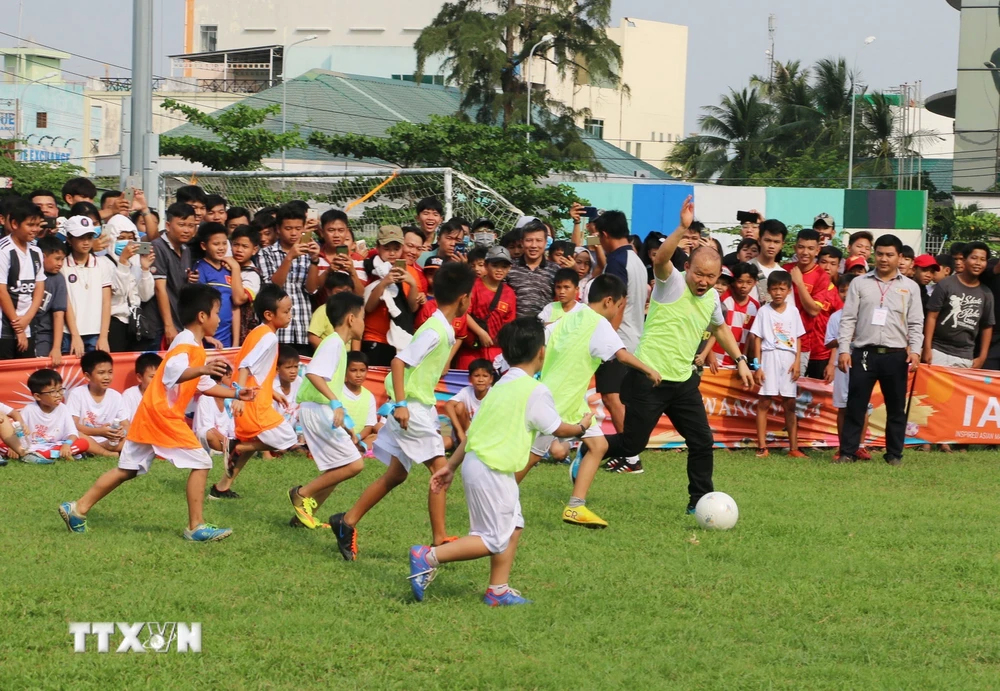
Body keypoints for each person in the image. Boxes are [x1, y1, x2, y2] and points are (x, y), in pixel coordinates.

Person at [407, 317, 597, 605]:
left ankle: (498, 590)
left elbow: (473, 434)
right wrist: (582, 427)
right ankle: (429, 556)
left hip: (483, 465)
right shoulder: (535, 390)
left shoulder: (501, 386)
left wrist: (450, 466)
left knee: (514, 525)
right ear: (542, 352)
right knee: (493, 539)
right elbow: (558, 428)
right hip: (491, 468)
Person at [58, 284, 255, 540]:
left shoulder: (194, 346)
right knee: (203, 461)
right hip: (162, 415)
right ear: (202, 316)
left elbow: (202, 384)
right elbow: (173, 374)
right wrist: (203, 369)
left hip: (150, 414)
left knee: (128, 469)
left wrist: (237, 394)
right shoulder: (186, 343)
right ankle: (196, 527)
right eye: (218, 313)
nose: (220, 319)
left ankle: (77, 508)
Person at [600, 197, 753, 508]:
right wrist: (682, 228)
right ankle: (589, 448)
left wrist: (740, 360)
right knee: (633, 443)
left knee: (702, 441)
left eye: (712, 277)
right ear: (687, 267)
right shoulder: (672, 284)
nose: (705, 282)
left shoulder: (711, 298)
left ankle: (698, 501)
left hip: (683, 382)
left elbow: (720, 328)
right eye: (700, 274)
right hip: (649, 377)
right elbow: (660, 259)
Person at [328, 263, 477, 560]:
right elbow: (399, 362)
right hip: (412, 408)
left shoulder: (441, 327)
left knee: (396, 475)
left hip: (414, 406)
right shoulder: (435, 329)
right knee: (440, 470)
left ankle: (347, 521)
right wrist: (400, 405)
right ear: (462, 298)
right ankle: (438, 542)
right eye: (470, 296)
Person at [519, 273, 662, 526]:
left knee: (598, 445)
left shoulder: (570, 316)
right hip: (557, 401)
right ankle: (498, 496)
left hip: (568, 400)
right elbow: (621, 355)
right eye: (619, 307)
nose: (617, 312)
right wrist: (649, 369)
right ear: (609, 301)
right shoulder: (598, 323)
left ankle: (575, 507)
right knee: (532, 457)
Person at [284, 293, 369, 532]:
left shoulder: (338, 345)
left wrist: (345, 423)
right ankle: (301, 494)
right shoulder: (333, 343)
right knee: (354, 465)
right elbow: (313, 373)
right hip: (318, 410)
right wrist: (335, 403)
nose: (365, 323)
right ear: (351, 319)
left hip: (321, 410)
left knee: (338, 468)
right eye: (363, 317)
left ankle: (301, 517)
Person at [837, 234, 924, 466]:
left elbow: (916, 322)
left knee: (896, 408)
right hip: (864, 353)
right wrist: (844, 349)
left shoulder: (911, 287)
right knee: (855, 405)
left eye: (889, 255)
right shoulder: (860, 282)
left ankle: (894, 454)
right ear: (874, 255)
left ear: (900, 257)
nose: (884, 259)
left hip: (896, 355)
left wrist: (915, 350)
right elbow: (848, 319)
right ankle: (848, 452)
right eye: (880, 254)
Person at [216, 284, 300, 499]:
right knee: (288, 438)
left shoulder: (259, 332)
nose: (290, 315)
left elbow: (257, 371)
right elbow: (246, 365)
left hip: (254, 399)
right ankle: (238, 447)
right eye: (286, 311)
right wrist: (240, 395)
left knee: (252, 446)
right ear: (269, 315)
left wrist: (271, 392)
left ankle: (220, 489)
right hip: (253, 403)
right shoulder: (269, 338)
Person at [591, 210, 648, 473]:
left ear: (604, 234)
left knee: (613, 397)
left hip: (619, 339)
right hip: (634, 336)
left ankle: (631, 456)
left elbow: (618, 301)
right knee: (619, 398)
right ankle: (629, 453)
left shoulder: (617, 261)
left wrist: (608, 337)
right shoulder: (635, 258)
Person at [750, 271, 806, 458]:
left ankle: (794, 447)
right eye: (774, 289)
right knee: (764, 401)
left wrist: (797, 362)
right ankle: (762, 446)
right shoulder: (763, 311)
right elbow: (756, 338)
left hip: (788, 359)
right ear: (768, 291)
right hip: (769, 356)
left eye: (782, 289)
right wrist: (757, 366)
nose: (778, 293)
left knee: (790, 403)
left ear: (789, 290)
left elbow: (798, 338)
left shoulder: (793, 311)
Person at [259, 205, 322, 355]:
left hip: (302, 326)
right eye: (288, 228)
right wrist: (289, 258)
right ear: (279, 229)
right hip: (277, 331)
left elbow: (312, 289)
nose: (294, 233)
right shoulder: (266, 253)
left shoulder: (308, 252)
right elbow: (273, 288)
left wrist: (314, 261)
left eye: (298, 228)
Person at [823, 275, 873, 463]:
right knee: (843, 407)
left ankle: (860, 446)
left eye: (850, 289)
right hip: (843, 367)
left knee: (863, 407)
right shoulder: (836, 317)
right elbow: (829, 343)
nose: (846, 294)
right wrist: (845, 338)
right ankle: (843, 446)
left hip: (864, 363)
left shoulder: (868, 314)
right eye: (842, 290)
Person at [923, 241, 994, 370]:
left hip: (965, 357)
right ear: (964, 260)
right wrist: (927, 348)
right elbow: (931, 317)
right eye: (974, 258)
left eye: (982, 259)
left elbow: (987, 326)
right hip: (937, 352)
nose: (978, 263)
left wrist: (982, 357)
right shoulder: (946, 285)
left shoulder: (986, 293)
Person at [362, 225, 421, 366]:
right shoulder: (370, 268)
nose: (392, 253)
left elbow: (412, 308)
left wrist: (412, 284)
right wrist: (383, 283)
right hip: (375, 337)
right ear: (378, 247)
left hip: (400, 339)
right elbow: (368, 307)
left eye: (396, 249)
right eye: (387, 249)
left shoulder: (411, 272)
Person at [0, 199, 45, 359]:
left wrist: (27, 318)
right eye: (30, 225)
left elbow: (39, 287)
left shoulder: (36, 252)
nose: (35, 230)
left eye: (38, 225)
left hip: (28, 324)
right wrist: (18, 328)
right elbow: (2, 292)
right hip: (4, 328)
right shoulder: (4, 251)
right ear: (14, 224)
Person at [146, 203, 196, 347]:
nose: (187, 230)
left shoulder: (186, 249)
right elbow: (160, 288)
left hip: (179, 322)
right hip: (158, 325)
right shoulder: (157, 247)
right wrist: (169, 325)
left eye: (191, 225)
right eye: (181, 224)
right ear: (168, 225)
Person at [459, 245, 516, 369]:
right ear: (486, 265)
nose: (499, 270)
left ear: (509, 268)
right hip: (472, 349)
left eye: (504, 266)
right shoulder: (474, 286)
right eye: (495, 265)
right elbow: (463, 312)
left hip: (496, 352)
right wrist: (480, 332)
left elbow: (509, 325)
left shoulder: (509, 293)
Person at [62, 216, 112, 356]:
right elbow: (66, 303)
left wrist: (103, 336)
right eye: (80, 237)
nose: (86, 242)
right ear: (69, 239)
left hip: (96, 332)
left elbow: (106, 302)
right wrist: (75, 335)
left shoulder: (102, 264)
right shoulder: (63, 265)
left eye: (89, 237)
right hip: (68, 333)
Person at [66, 350, 128, 457]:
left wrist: (122, 432)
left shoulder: (116, 396)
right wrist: (99, 432)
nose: (107, 377)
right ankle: (106, 453)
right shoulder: (77, 394)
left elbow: (126, 424)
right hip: (86, 437)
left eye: (110, 372)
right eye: (101, 373)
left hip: (109, 440)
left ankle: (94, 449)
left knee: (133, 439)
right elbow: (73, 425)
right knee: (77, 436)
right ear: (87, 376)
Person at [782, 228, 826, 378]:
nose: (805, 252)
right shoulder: (785, 269)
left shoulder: (821, 276)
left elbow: (814, 311)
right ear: (795, 248)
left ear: (817, 250)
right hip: (777, 337)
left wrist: (799, 283)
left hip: (803, 342)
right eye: (801, 247)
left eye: (810, 248)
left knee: (792, 387)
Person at [20, 369, 89, 461]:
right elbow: (18, 432)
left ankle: (43, 455)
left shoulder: (63, 408)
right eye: (52, 391)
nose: (58, 395)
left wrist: (67, 444)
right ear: (37, 396)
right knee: (5, 446)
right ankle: (53, 454)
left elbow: (72, 433)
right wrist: (16, 446)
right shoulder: (29, 410)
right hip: (33, 447)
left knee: (83, 443)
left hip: (57, 445)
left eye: (60, 390)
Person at [195, 223, 245, 348]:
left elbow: (235, 306)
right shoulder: (199, 269)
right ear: (203, 246)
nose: (221, 248)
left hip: (227, 338)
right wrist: (206, 336)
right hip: (207, 340)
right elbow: (197, 304)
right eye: (216, 244)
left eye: (224, 243)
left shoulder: (229, 269)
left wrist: (235, 342)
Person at [107, 231, 157, 353]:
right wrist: (123, 261)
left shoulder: (135, 265)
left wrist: (145, 269)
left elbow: (145, 296)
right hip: (114, 322)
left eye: (131, 238)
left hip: (134, 322)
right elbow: (119, 292)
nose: (127, 242)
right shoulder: (104, 263)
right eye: (121, 238)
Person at [506, 219, 558, 319]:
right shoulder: (509, 267)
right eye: (529, 240)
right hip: (514, 329)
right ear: (522, 242)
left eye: (539, 240)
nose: (534, 245)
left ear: (545, 242)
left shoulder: (555, 270)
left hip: (544, 330)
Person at [711, 262, 760, 367]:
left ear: (755, 283)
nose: (744, 286)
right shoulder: (723, 299)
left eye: (749, 282)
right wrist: (709, 355)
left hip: (737, 363)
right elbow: (710, 329)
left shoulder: (755, 307)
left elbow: (750, 337)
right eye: (740, 281)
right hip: (714, 360)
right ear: (733, 282)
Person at [315, 209, 366, 297]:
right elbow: (312, 290)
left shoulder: (357, 259)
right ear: (322, 232)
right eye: (331, 230)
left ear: (347, 232)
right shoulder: (315, 257)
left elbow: (360, 294)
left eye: (341, 230)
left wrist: (352, 271)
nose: (336, 235)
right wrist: (328, 271)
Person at [33, 235, 68, 364]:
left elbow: (59, 315)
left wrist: (56, 347)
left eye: (63, 259)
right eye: (57, 259)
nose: (60, 264)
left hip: (44, 337)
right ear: (42, 257)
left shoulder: (58, 279)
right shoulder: (29, 272)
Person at [445, 358, 492, 448]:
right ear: (470, 379)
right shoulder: (466, 391)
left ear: (491, 379)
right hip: (463, 435)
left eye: (485, 376)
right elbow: (448, 405)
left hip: (483, 436)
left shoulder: (494, 394)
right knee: (459, 406)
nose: (481, 379)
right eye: (476, 376)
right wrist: (460, 432)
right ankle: (461, 443)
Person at [193, 363, 236, 458]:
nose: (232, 382)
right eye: (229, 378)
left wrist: (232, 441)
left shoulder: (230, 402)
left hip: (225, 442)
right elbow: (207, 427)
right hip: (212, 440)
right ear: (218, 381)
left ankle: (228, 450)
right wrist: (227, 442)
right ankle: (226, 450)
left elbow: (232, 430)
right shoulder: (204, 399)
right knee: (206, 433)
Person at [342, 351, 379, 454]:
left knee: (378, 436)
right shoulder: (337, 392)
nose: (358, 375)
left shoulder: (369, 396)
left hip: (359, 438)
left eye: (362, 370)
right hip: (339, 436)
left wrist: (357, 437)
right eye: (353, 370)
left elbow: (369, 426)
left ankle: (360, 448)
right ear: (345, 371)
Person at [231, 226, 262, 344]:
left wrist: (234, 268)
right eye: (236, 244)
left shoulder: (252, 275)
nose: (239, 250)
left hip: (243, 332)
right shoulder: (224, 264)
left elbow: (239, 299)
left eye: (245, 246)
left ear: (254, 250)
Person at [308, 272, 356, 349]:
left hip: (348, 358)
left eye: (347, 292)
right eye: (339, 292)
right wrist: (330, 351)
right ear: (328, 292)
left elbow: (356, 337)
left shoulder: (353, 311)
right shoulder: (322, 311)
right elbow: (313, 337)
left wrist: (354, 357)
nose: (343, 296)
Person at [272, 345, 303, 444]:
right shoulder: (271, 386)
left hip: (293, 433)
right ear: (277, 369)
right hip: (273, 432)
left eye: (296, 366)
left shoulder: (299, 381)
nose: (293, 371)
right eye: (288, 367)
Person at [752, 219, 787, 304]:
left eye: (776, 242)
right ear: (759, 241)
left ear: (782, 244)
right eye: (767, 240)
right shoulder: (747, 267)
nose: (771, 246)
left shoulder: (784, 274)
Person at [122, 352, 162, 421]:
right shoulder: (129, 395)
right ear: (139, 377)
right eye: (152, 377)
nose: (157, 380)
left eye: (160, 376)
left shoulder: (166, 394)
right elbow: (124, 423)